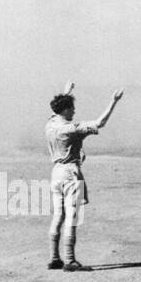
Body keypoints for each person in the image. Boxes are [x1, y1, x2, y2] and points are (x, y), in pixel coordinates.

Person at [45, 82, 124, 272]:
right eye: (71, 108)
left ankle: (54, 258)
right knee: (72, 217)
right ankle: (70, 260)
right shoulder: (72, 128)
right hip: (71, 172)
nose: (74, 111)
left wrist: (66, 92)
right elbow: (99, 123)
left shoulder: (51, 124)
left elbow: (55, 111)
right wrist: (113, 101)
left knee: (58, 216)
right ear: (65, 110)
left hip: (56, 172)